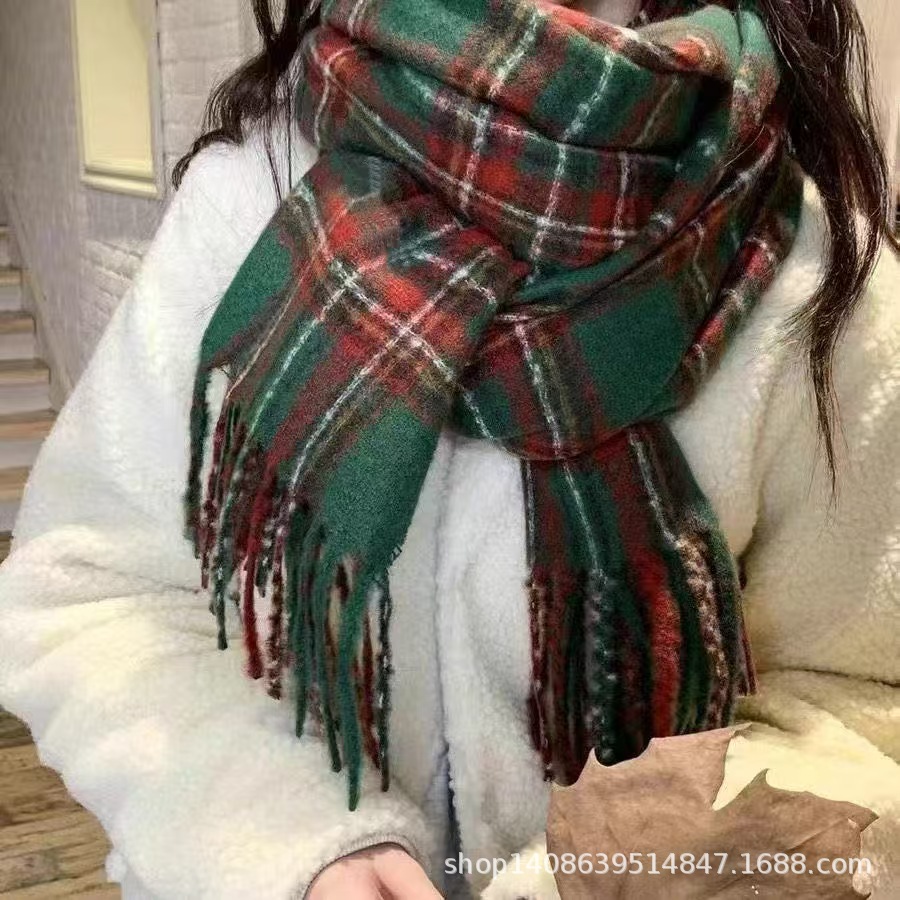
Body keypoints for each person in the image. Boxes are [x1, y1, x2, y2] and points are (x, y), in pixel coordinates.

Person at [1, 0, 898, 897]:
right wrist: (290, 845)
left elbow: (862, 697)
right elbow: (97, 593)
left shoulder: (808, 265)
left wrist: (612, 873)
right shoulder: (250, 196)